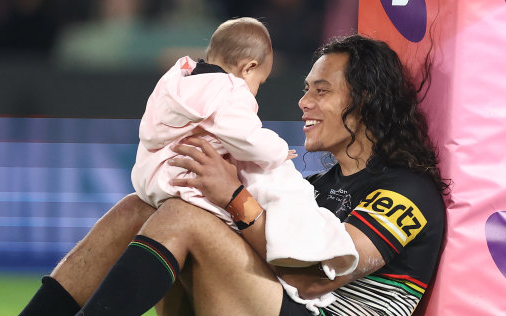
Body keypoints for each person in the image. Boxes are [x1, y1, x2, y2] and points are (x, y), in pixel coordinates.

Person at [0, 34, 447, 316]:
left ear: (364, 101)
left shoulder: (408, 190)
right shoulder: (318, 185)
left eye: (321, 91)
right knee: (142, 207)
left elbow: (321, 277)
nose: (303, 101)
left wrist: (233, 198)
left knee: (185, 218)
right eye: (305, 89)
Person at [131, 17, 358, 274]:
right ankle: (300, 245)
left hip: (151, 179)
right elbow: (249, 139)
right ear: (248, 68)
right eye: (260, 83)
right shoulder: (230, 90)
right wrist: (279, 150)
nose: (256, 91)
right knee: (276, 174)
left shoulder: (176, 81)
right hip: (190, 183)